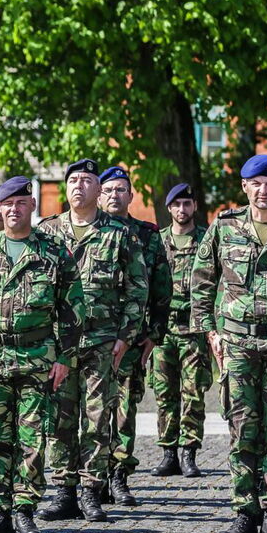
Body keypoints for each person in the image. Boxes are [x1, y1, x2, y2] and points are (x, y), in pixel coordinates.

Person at [0, 176, 85, 533]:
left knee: (32, 439)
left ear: (32, 205)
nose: (13, 209)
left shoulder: (53, 252)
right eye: (6, 204)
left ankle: (25, 509)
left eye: (20, 202)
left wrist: (64, 357)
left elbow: (73, 310)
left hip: (36, 358)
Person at [190, 154, 267, 533]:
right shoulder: (226, 226)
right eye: (257, 184)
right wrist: (209, 332)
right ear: (246, 187)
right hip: (236, 343)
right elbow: (201, 280)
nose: (264, 190)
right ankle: (244, 512)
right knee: (242, 428)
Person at [36, 158, 148, 523]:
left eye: (87, 181)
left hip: (102, 343)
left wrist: (126, 337)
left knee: (98, 419)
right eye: (73, 181)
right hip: (60, 346)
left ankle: (90, 491)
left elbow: (137, 289)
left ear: (99, 191)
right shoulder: (48, 232)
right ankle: (64, 491)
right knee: (60, 418)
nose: (79, 187)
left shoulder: (120, 234)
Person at [98, 166, 172, 506]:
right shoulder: (89, 231)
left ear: (131, 196)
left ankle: (118, 474)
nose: (115, 195)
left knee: (125, 409)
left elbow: (160, 287)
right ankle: (91, 477)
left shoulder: (147, 234)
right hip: (93, 339)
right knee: (92, 411)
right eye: (109, 189)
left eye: (121, 190)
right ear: (100, 195)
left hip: (133, 340)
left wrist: (154, 335)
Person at [149, 183, 212, 479]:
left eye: (187, 204)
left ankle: (189, 451)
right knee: (164, 393)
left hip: (195, 327)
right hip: (164, 329)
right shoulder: (158, 241)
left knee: (194, 393)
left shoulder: (207, 239)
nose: (182, 210)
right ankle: (168, 452)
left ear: (194, 207)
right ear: (169, 208)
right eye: (177, 205)